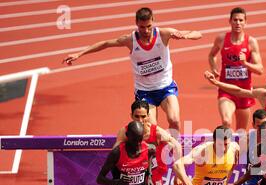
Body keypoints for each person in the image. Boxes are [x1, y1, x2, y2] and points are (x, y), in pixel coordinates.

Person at [63, 7, 202, 134]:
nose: (146, 31)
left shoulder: (164, 34)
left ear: (153, 21)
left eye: (149, 26)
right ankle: (154, 157)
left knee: (175, 120)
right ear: (136, 24)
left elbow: (198, 33)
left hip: (165, 87)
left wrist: (185, 36)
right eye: (142, 27)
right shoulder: (130, 40)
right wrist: (79, 54)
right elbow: (105, 44)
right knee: (150, 128)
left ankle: (173, 151)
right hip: (145, 92)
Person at [208, 7, 264, 130]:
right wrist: (214, 68)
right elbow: (211, 55)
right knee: (226, 122)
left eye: (240, 20)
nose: (238, 23)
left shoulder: (251, 42)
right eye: (235, 20)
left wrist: (246, 63)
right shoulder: (221, 39)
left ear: (245, 22)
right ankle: (225, 148)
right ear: (230, 21)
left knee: (241, 132)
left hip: (244, 92)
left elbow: (260, 69)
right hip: (226, 91)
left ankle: (237, 149)